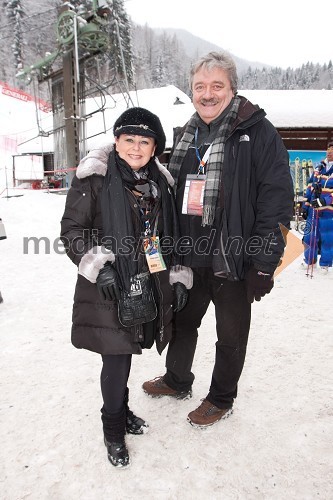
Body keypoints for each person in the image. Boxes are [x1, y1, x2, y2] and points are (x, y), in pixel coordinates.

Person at [142, 51, 294, 428]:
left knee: (230, 335)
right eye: (199, 87)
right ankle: (177, 380)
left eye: (217, 86)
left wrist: (264, 264)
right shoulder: (186, 134)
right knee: (180, 322)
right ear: (191, 91)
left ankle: (221, 398)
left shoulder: (258, 133)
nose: (207, 94)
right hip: (189, 257)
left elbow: (275, 203)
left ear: (232, 89)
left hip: (234, 260)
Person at [60, 107, 191, 467]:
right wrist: (98, 267)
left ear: (155, 148)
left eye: (144, 141)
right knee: (116, 358)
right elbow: (72, 230)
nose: (135, 147)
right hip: (109, 286)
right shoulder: (95, 178)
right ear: (116, 141)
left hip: (146, 282)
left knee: (128, 351)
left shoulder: (160, 183)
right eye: (129, 139)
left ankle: (122, 407)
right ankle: (113, 430)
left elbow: (171, 236)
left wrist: (177, 277)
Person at [301, 141, 333, 273]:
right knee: (309, 237)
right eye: (328, 149)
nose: (330, 152)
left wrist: (324, 201)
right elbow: (309, 188)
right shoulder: (318, 168)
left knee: (327, 238)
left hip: (328, 212)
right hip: (313, 210)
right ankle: (310, 261)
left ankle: (325, 264)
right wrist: (305, 206)